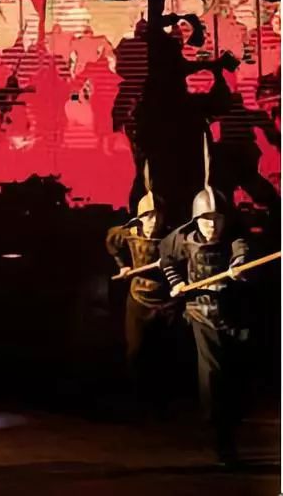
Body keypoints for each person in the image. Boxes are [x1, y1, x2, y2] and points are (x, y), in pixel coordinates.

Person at [159, 186, 250, 466]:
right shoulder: (181, 240)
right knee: (212, 374)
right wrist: (177, 283)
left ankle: (230, 426)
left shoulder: (233, 239)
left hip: (232, 316)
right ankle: (222, 438)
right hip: (200, 315)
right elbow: (166, 261)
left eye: (217, 219)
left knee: (236, 375)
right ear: (196, 220)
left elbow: (242, 252)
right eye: (206, 220)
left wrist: (239, 266)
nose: (212, 226)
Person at [105, 170, 178, 416]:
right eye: (148, 216)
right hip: (138, 299)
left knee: (164, 353)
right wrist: (122, 266)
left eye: (157, 216)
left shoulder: (171, 237)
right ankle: (138, 401)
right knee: (136, 351)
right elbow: (111, 241)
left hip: (166, 301)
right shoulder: (127, 234)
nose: (153, 221)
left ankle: (163, 403)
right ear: (139, 217)